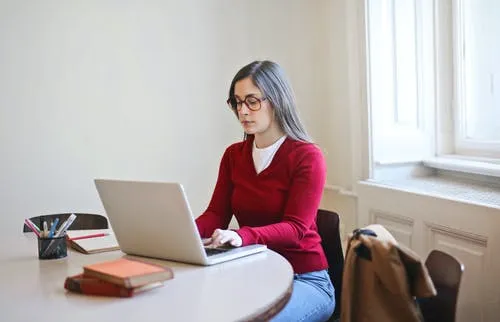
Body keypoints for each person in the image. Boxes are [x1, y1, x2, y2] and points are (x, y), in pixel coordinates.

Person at [195, 60, 335, 322]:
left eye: (252, 101)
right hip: (254, 274)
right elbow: (216, 213)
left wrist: (242, 236)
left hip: (305, 279)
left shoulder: (307, 156)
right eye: (237, 102)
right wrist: (184, 232)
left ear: (277, 100)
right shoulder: (233, 155)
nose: (243, 111)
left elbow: (295, 228)